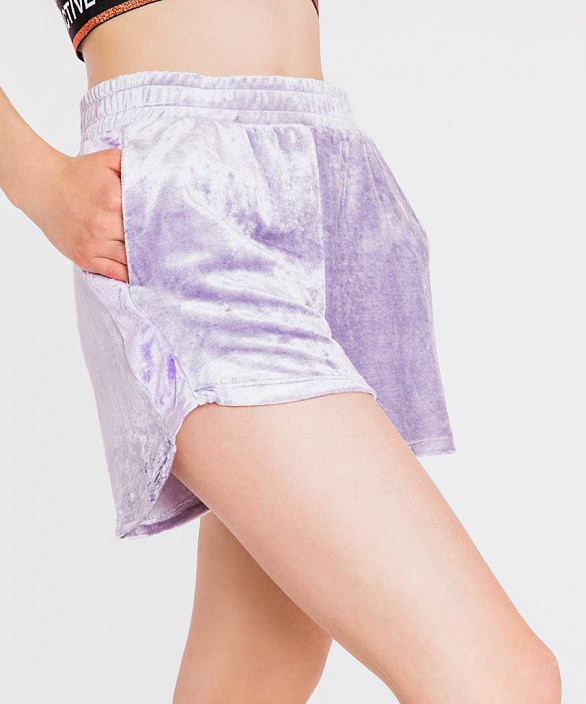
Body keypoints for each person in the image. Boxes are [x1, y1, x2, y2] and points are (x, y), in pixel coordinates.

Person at [0, 1, 561, 702]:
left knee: (247, 685)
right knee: (499, 679)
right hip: (184, 194)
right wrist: (34, 179)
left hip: (341, 184)